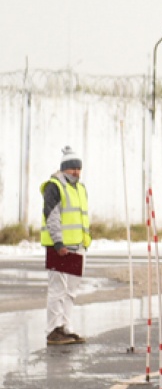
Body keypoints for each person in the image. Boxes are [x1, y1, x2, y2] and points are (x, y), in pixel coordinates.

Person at [41, 146, 91, 345]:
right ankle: (53, 330)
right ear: (64, 168)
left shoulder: (80, 188)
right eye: (72, 168)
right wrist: (58, 242)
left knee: (71, 291)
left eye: (78, 168)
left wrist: (84, 243)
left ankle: (66, 328)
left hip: (76, 247)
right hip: (59, 248)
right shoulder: (54, 186)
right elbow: (52, 216)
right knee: (57, 290)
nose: (76, 172)